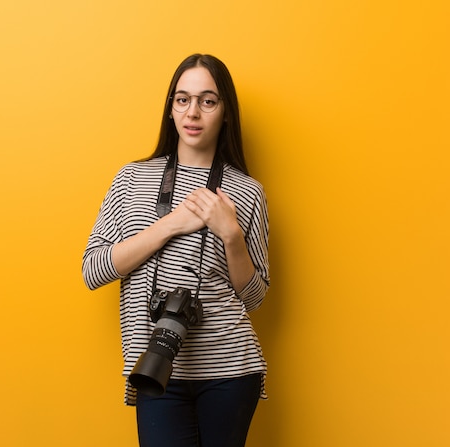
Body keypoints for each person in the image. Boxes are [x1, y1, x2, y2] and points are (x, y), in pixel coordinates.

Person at [82, 54, 270, 447]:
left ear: (225, 113)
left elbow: (254, 298)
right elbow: (94, 270)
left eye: (208, 100)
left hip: (230, 371)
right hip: (156, 367)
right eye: (182, 99)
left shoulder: (247, 191)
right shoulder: (133, 178)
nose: (194, 112)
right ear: (170, 109)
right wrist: (171, 223)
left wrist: (231, 234)